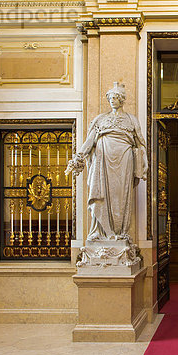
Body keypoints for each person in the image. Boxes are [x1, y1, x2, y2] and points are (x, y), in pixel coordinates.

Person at [67, 82, 147, 241]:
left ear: (122, 99)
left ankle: (120, 232)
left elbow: (140, 143)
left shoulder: (131, 120)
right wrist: (79, 156)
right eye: (110, 98)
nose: (112, 101)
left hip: (124, 159)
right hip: (103, 159)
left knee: (121, 195)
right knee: (101, 193)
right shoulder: (101, 119)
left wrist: (143, 164)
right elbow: (90, 140)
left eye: (115, 98)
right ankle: (101, 231)